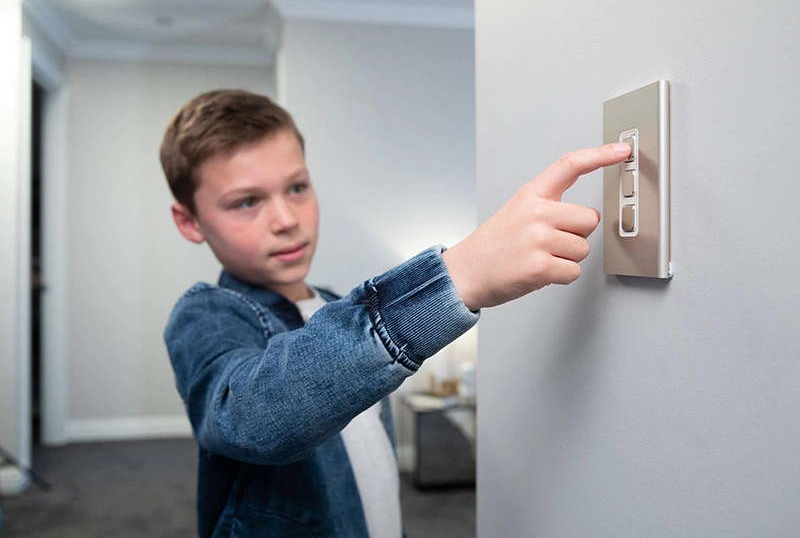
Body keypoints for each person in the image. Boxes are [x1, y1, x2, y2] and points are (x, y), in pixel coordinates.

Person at [159, 89, 631, 537]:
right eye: (247, 201)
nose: (286, 219)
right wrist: (454, 277)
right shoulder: (206, 313)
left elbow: (374, 477)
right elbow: (252, 415)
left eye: (297, 187)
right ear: (189, 221)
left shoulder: (333, 307)